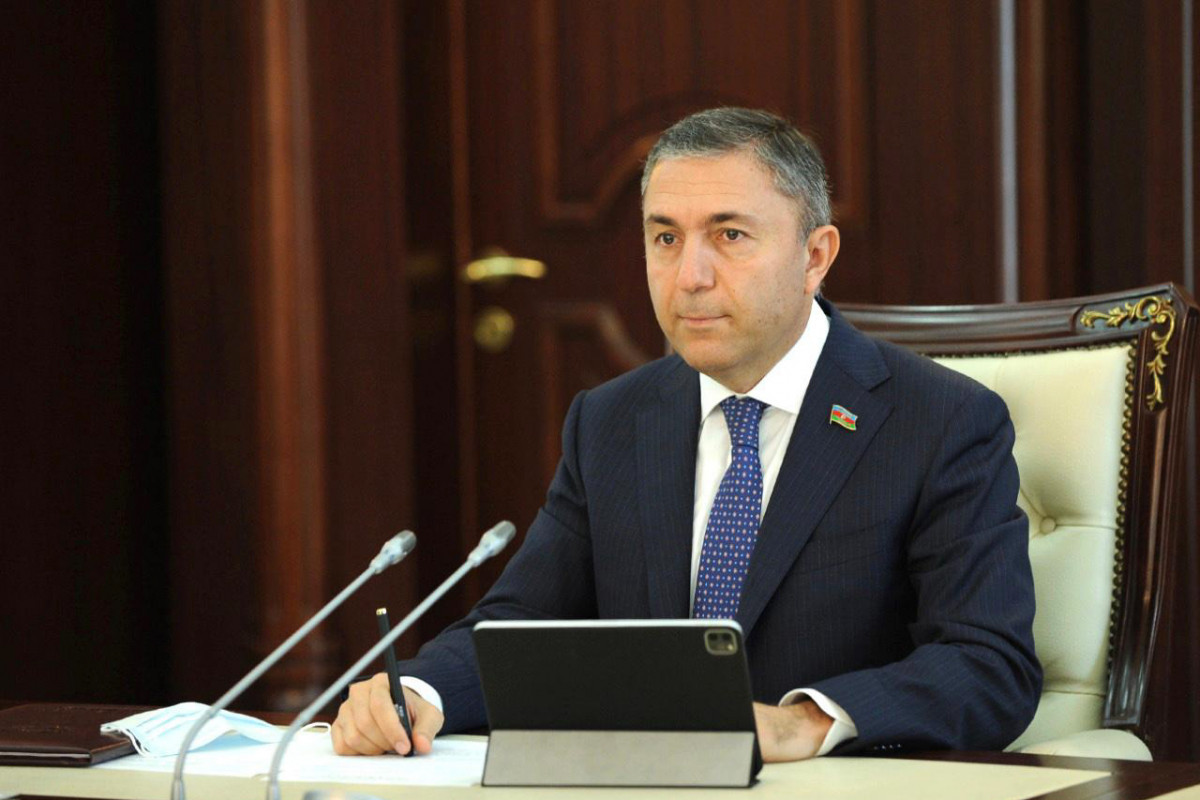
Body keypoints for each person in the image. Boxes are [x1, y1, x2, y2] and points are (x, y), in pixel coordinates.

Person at [331, 107, 1042, 762]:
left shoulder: (940, 421)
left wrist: (805, 722)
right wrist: (417, 692)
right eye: (665, 238)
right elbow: (524, 623)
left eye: (730, 236)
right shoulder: (610, 420)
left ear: (815, 256)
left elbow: (988, 663)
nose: (690, 276)